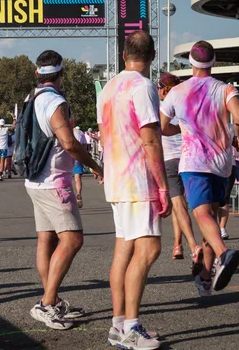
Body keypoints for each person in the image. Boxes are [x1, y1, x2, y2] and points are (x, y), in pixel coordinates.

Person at [98, 31, 171, 350]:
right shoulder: (143, 87)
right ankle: (130, 326)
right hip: (138, 180)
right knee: (149, 248)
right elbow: (151, 139)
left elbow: (103, 135)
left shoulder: (109, 87)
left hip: (116, 177)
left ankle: (118, 325)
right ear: (152, 56)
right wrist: (163, 185)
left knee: (124, 249)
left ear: (124, 54)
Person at [161, 40, 239, 299]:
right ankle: (206, 277)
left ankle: (224, 254)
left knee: (201, 215)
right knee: (211, 216)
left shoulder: (177, 91)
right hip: (222, 164)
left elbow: (162, 127)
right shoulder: (225, 89)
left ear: (190, 61)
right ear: (213, 60)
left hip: (195, 162)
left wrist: (183, 129)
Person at [26, 50, 104, 330]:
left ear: (38, 73)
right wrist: (96, 166)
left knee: (46, 240)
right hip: (54, 181)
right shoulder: (56, 102)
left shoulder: (31, 98)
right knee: (72, 240)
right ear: (61, 74)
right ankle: (47, 304)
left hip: (34, 180)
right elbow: (69, 143)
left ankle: (53, 300)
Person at [157, 73, 203, 272]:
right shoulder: (187, 104)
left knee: (178, 204)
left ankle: (193, 245)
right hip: (189, 158)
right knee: (185, 205)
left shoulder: (161, 107)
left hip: (169, 160)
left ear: (162, 88)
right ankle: (178, 244)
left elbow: (159, 131)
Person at [0, 116, 15, 181]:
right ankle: (1, 175)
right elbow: (13, 127)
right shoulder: (6, 129)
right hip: (4, 148)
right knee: (2, 162)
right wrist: (14, 119)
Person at [72, 125, 87, 208]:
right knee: (77, 178)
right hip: (77, 157)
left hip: (67, 157)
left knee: (65, 178)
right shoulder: (80, 132)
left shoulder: (64, 130)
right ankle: (78, 194)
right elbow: (84, 145)